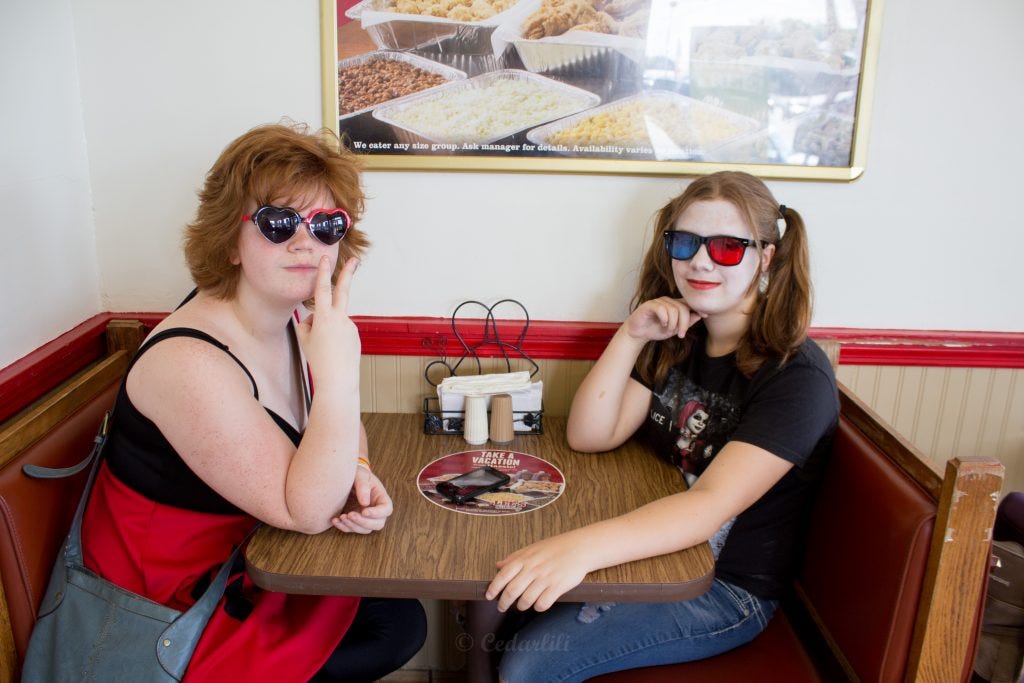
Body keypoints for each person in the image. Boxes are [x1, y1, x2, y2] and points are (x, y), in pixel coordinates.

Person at [80, 122, 426, 681]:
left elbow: (338, 431)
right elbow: (305, 511)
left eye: (327, 224)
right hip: (167, 612)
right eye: (279, 222)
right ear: (230, 240)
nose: (305, 242)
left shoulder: (292, 321)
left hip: (248, 561)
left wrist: (357, 468)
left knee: (400, 617)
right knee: (391, 628)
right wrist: (340, 375)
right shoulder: (188, 361)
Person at [486, 171, 839, 682]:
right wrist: (632, 335)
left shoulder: (796, 378)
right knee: (502, 609)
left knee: (527, 665)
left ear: (766, 257)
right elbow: (590, 435)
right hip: (659, 547)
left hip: (724, 588)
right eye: (686, 242)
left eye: (726, 246)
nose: (699, 261)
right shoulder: (682, 339)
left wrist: (578, 548)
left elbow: (706, 508)